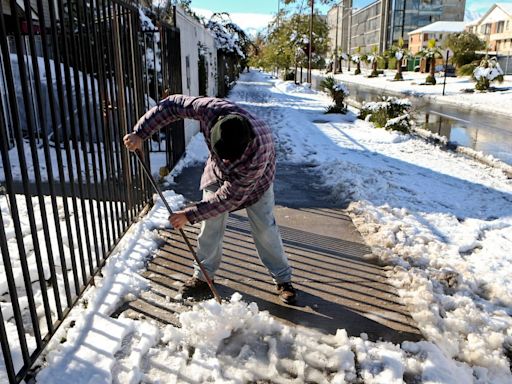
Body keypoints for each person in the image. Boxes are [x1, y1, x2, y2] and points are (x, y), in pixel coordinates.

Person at [124, 95, 297, 304]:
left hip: (256, 184)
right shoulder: (210, 110)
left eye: (229, 156)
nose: (226, 159)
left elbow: (228, 198)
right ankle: (203, 277)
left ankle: (283, 279)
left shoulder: (257, 153)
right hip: (216, 173)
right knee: (210, 225)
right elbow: (170, 105)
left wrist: (189, 215)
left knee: (265, 228)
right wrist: (140, 133)